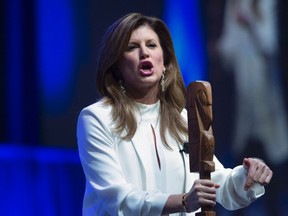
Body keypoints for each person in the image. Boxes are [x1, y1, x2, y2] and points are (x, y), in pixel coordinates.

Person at [77, 13, 273, 216]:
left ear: (165, 61)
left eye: (151, 45)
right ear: (116, 65)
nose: (144, 53)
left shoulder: (182, 119)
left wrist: (248, 176)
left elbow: (216, 183)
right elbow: (117, 198)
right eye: (132, 47)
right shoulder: (96, 118)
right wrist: (184, 201)